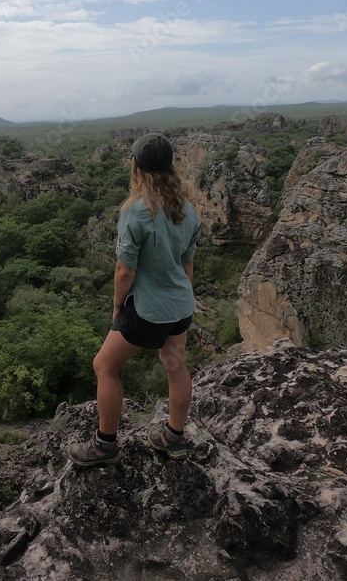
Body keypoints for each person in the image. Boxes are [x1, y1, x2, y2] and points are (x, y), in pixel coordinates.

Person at [68, 132, 202, 467]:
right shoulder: (188, 210)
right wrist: (180, 297)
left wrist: (117, 306)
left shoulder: (137, 211)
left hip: (147, 309)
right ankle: (174, 438)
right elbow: (188, 263)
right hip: (180, 305)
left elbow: (124, 271)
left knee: (104, 366)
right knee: (175, 365)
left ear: (137, 167)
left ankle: (105, 447)